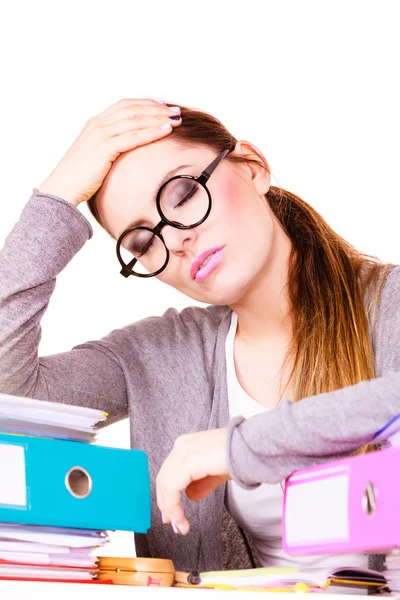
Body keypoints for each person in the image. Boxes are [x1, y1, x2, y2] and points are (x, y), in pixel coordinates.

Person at [1, 98, 400, 576]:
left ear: (252, 168)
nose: (175, 240)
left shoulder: (390, 301)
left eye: (184, 195)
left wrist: (241, 448)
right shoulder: (158, 355)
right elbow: (11, 394)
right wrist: (58, 195)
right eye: (144, 242)